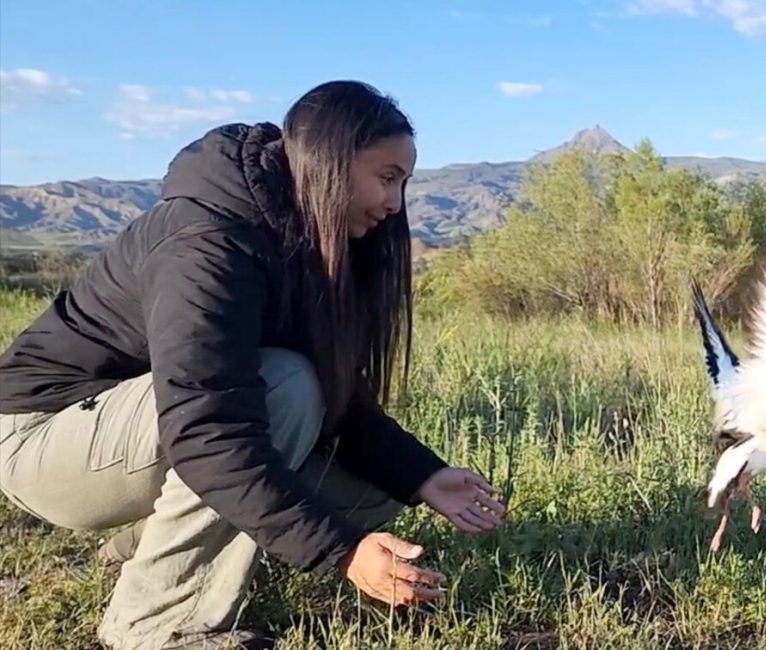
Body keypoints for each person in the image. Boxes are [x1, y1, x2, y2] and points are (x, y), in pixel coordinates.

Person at [0, 80, 507, 650]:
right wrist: (341, 551)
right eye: (386, 177)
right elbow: (207, 429)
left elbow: (337, 403)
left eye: (403, 183)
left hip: (135, 433)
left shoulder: (301, 238)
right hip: (41, 440)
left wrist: (422, 474)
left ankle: (144, 547)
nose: (394, 204)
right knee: (285, 386)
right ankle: (155, 625)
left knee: (375, 485)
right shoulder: (207, 242)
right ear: (330, 161)